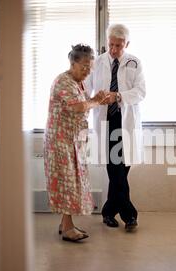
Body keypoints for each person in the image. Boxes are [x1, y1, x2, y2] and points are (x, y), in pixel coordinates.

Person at [44, 44, 110, 242]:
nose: (87, 72)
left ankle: (66, 223)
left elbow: (83, 103)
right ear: (72, 63)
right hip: (61, 141)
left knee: (72, 182)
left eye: (90, 68)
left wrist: (95, 98)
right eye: (84, 67)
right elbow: (78, 107)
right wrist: (96, 102)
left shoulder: (77, 82)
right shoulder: (63, 82)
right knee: (67, 183)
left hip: (72, 140)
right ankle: (67, 229)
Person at [86, 24, 146, 231]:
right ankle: (130, 215)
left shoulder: (134, 62)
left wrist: (118, 96)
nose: (113, 49)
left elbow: (141, 92)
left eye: (118, 46)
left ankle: (109, 212)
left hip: (125, 121)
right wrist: (96, 99)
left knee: (121, 170)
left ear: (126, 44)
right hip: (106, 122)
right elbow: (85, 90)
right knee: (115, 169)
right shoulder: (98, 63)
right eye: (110, 44)